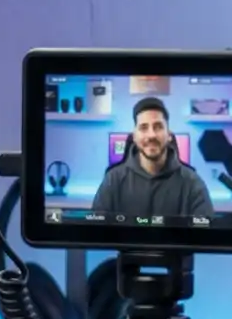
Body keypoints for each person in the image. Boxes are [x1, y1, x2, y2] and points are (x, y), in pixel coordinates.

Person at [90, 96, 213, 225]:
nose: (151, 135)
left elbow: (205, 232)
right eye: (143, 127)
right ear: (134, 136)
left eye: (158, 126)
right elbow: (95, 230)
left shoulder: (192, 183)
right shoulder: (113, 180)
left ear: (169, 135)